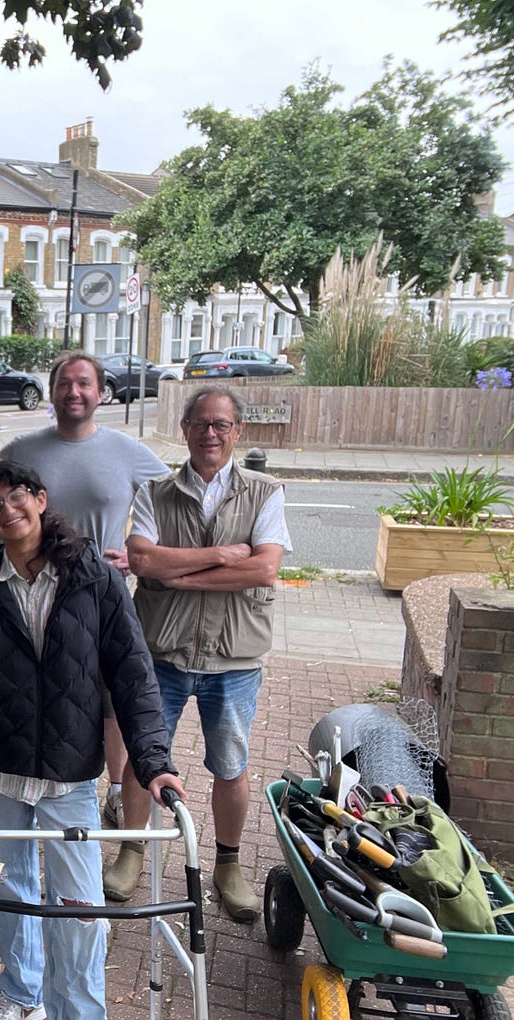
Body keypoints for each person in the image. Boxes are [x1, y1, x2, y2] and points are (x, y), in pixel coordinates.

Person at [0, 460, 182, 1020]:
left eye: (16, 497)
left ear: (41, 500)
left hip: (70, 776)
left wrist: (154, 761)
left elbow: (131, 672)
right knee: (6, 891)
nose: (7, 511)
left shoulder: (93, 576)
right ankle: (21, 995)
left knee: (79, 911)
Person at [119, 385, 291, 921]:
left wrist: (181, 573)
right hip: (162, 653)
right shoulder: (155, 492)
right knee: (143, 757)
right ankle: (131, 851)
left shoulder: (266, 492)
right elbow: (142, 560)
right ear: (185, 430)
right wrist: (222, 556)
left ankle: (228, 865)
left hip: (233, 659)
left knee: (231, 766)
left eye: (220, 425)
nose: (210, 433)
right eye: (200, 424)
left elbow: (264, 568)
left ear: (237, 432)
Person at [2, 350, 167, 856]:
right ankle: (51, 788)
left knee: (112, 698)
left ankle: (116, 789)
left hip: (102, 597)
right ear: (52, 392)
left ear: (100, 392)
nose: (73, 392)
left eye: (83, 383)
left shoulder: (126, 450)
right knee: (50, 693)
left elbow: (172, 498)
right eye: (64, 384)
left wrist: (140, 553)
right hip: (35, 596)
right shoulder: (22, 451)